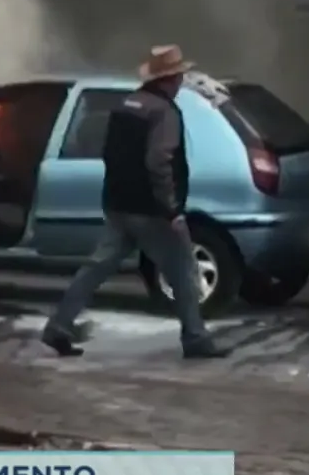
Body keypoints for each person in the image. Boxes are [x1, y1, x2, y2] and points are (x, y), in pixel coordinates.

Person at [41, 45, 226, 360]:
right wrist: (172, 210)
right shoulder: (164, 112)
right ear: (169, 79)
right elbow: (159, 161)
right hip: (152, 210)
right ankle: (195, 338)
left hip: (118, 205)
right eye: (179, 74)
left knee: (96, 267)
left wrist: (113, 197)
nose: (181, 79)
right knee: (182, 269)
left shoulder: (125, 104)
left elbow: (111, 153)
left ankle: (59, 324)